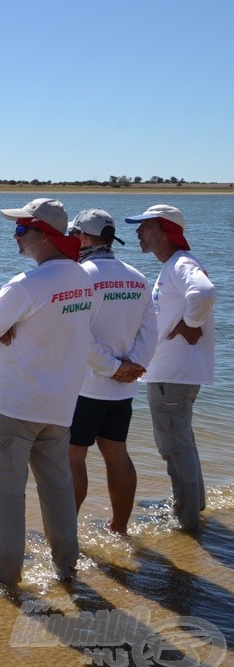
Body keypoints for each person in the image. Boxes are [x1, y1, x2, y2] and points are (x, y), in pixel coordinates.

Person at [0, 198, 92, 585]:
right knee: (57, 488)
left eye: (23, 230)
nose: (16, 236)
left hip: (15, 404)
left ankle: (4, 575)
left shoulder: (27, 284)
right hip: (60, 406)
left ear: (44, 236)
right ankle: (66, 567)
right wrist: (12, 325)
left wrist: (11, 326)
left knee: (8, 493)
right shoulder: (82, 279)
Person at [124, 204, 217, 531]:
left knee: (174, 449)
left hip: (173, 376)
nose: (138, 232)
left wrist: (191, 323)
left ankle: (186, 523)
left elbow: (204, 292)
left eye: (145, 227)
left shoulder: (181, 264)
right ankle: (195, 505)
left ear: (164, 231)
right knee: (182, 444)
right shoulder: (173, 266)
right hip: (172, 375)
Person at [67, 209, 157, 535]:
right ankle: (119, 529)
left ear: (81, 236)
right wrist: (133, 366)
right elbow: (151, 331)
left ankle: (65, 538)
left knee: (73, 457)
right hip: (124, 387)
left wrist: (112, 367)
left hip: (86, 387)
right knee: (117, 452)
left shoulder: (79, 276)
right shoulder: (138, 276)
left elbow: (79, 335)